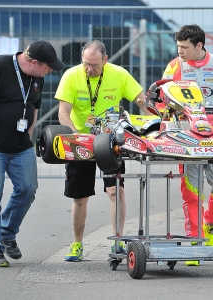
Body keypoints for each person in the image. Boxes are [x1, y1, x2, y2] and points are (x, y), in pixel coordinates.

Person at [0, 40, 65, 267]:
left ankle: (7, 232)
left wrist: (28, 132)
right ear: (33, 62)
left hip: (21, 146)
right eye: (48, 66)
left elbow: (34, 106)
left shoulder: (38, 75)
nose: (50, 70)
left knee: (28, 189)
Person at [55, 40, 152, 262]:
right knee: (80, 197)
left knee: (116, 192)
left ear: (105, 60)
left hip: (110, 142)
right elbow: (63, 113)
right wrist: (77, 138)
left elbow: (142, 102)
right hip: (82, 142)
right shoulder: (71, 75)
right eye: (85, 64)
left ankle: (118, 242)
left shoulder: (119, 74)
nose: (89, 69)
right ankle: (77, 244)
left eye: (94, 65)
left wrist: (155, 121)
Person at [162, 24, 213, 266]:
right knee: (191, 192)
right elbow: (164, 106)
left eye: (184, 47)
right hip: (186, 138)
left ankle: (210, 226)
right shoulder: (174, 66)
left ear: (199, 45)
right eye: (178, 47)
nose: (180, 52)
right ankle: (195, 240)